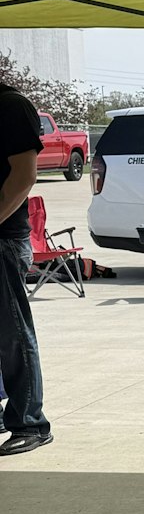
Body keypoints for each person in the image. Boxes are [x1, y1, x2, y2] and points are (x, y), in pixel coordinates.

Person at [0, 77, 51, 457]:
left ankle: (30, 422)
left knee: (13, 336)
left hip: (2, 239)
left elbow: (24, 174)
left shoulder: (10, 106)